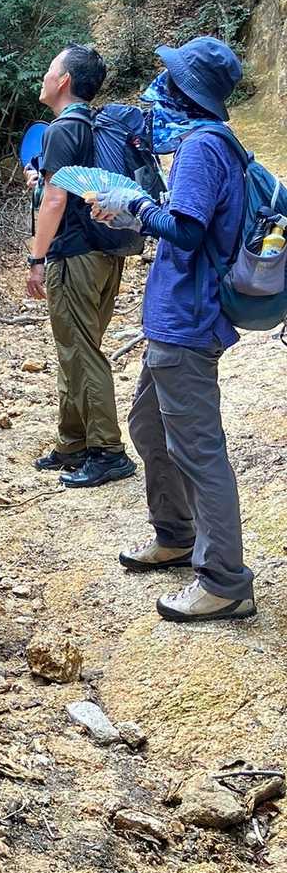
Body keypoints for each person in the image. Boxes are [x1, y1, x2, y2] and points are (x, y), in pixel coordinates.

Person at [91, 37, 255, 623]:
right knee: (148, 425)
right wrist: (136, 209)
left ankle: (225, 581)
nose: (158, 86)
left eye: (170, 77)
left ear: (186, 90)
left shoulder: (202, 146)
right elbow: (189, 222)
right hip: (174, 320)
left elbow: (186, 230)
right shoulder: (209, 143)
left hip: (188, 322)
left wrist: (134, 206)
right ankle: (176, 535)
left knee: (199, 451)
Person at [24, 45, 136, 489]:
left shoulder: (61, 129)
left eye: (50, 69)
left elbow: (55, 200)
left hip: (74, 256)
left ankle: (108, 451)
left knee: (82, 351)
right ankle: (73, 441)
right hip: (106, 252)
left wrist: (36, 258)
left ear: (64, 80)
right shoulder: (93, 125)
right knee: (76, 346)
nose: (44, 76)